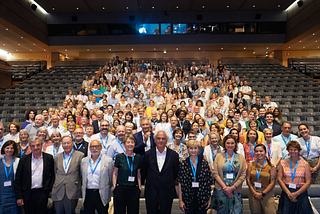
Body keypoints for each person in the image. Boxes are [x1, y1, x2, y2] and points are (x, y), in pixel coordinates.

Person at [14, 136, 55, 214]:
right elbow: (18, 179)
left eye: (38, 145)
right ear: (30, 147)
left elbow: (53, 175)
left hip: (42, 193)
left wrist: (48, 188)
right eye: (33, 145)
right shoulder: (24, 159)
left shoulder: (49, 158)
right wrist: (19, 197)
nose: (36, 147)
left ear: (42, 145)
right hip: (28, 193)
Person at [142, 130, 180, 214]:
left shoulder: (174, 155)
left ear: (166, 140)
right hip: (151, 191)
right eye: (158, 138)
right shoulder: (148, 154)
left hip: (167, 191)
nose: (161, 141)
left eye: (163, 139)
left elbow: (175, 172)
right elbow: (144, 171)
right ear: (155, 140)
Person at [210, 135, 246, 213]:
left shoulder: (241, 157)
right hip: (221, 189)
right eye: (228, 143)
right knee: (222, 211)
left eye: (232, 143)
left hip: (236, 190)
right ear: (224, 144)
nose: (230, 145)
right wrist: (225, 188)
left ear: (235, 144)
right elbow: (215, 173)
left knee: (236, 211)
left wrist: (232, 188)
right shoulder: (218, 156)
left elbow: (243, 175)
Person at [277, 141, 313, 214]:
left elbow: (308, 182)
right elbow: (279, 179)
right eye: (291, 149)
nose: (293, 151)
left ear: (299, 151)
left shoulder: (305, 164)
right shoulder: (282, 163)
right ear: (288, 151)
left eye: (295, 149)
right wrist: (289, 194)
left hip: (301, 193)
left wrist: (296, 194)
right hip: (287, 193)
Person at [178, 140, 212, 214]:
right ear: (188, 149)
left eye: (195, 148)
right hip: (188, 197)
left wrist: (209, 198)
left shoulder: (204, 163)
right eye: (191, 148)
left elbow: (208, 181)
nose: (193, 150)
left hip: (202, 197)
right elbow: (180, 182)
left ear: (199, 149)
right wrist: (180, 200)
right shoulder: (184, 163)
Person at [52, 136, 84, 214]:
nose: (66, 145)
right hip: (58, 190)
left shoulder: (80, 156)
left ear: (72, 143)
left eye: (68, 143)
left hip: (72, 189)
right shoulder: (56, 157)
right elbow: (54, 173)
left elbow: (81, 174)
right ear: (61, 145)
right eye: (64, 143)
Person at [81, 140, 114, 214]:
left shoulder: (108, 161)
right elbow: (82, 176)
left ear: (101, 147)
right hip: (88, 193)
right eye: (92, 146)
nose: (94, 148)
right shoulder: (84, 161)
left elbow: (111, 178)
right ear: (89, 148)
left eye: (96, 146)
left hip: (102, 193)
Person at [113, 135, 142, 214]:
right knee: (119, 211)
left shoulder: (138, 157)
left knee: (133, 211)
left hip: (133, 189)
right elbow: (115, 172)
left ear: (134, 144)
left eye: (132, 142)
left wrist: (139, 186)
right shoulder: (119, 157)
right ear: (124, 144)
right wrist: (114, 185)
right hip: (121, 188)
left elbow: (138, 173)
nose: (130, 144)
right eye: (128, 142)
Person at [246, 144, 277, 214]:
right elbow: (248, 179)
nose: (258, 153)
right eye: (256, 151)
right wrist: (254, 192)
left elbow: (272, 183)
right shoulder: (251, 164)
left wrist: (262, 194)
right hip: (253, 193)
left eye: (261, 151)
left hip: (267, 193)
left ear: (265, 152)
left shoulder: (271, 167)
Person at [0, 140, 20, 214]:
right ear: (4, 149)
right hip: (1, 196)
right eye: (7, 148)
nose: (9, 150)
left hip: (14, 197)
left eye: (12, 148)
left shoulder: (18, 162)